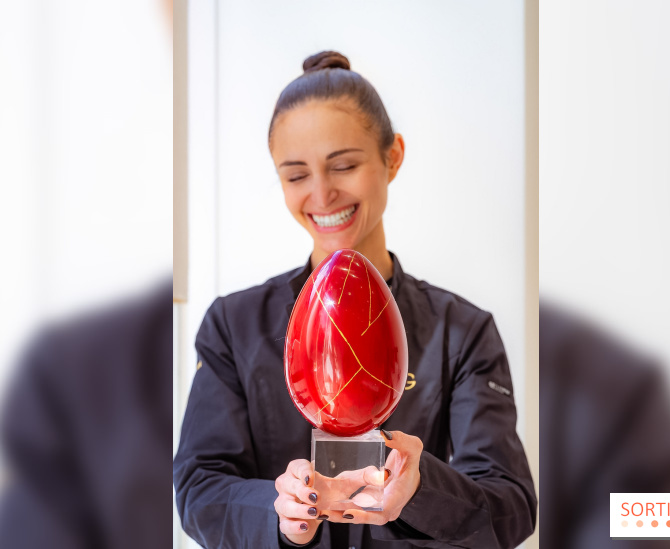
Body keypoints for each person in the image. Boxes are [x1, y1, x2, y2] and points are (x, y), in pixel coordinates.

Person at [173, 51, 536, 549]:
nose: (322, 195)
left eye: (343, 165)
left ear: (393, 157)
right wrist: (279, 514)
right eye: (297, 175)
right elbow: (200, 488)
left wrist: (421, 487)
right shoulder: (233, 326)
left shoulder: (462, 331)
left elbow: (511, 506)